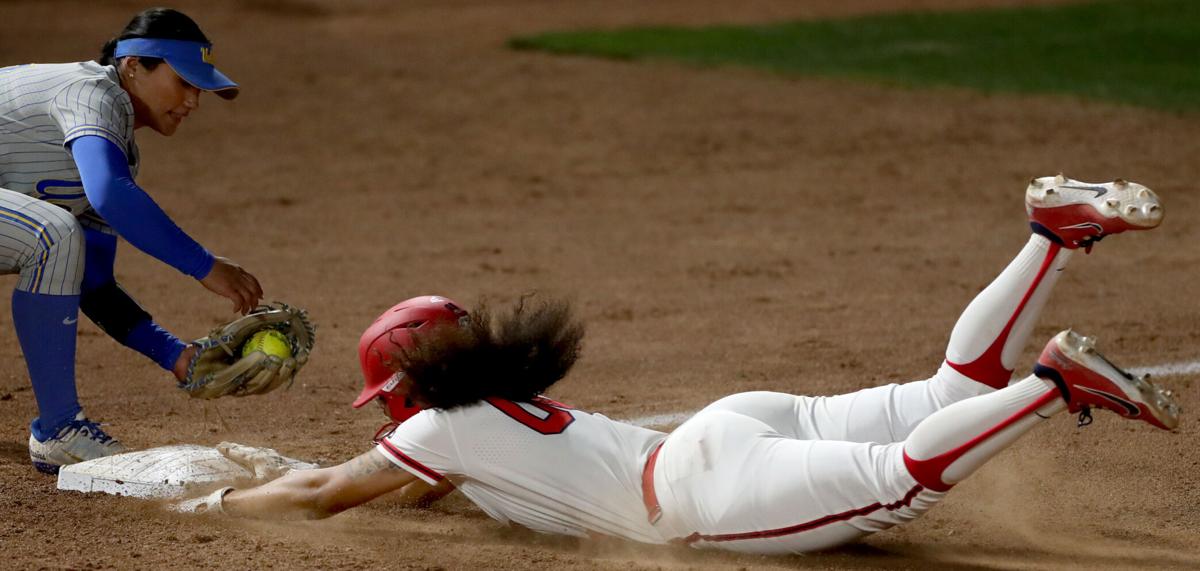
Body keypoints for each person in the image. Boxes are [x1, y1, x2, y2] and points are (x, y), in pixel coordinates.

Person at [180, 176, 1178, 555]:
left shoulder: (431, 432)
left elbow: (320, 494)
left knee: (898, 483)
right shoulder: (495, 415)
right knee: (943, 393)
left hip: (707, 488)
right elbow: (420, 491)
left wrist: (216, 505)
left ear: (402, 389)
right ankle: (1051, 238)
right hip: (737, 425)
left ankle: (1052, 384)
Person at [0, 8, 264, 474]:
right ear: (134, 65)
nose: (193, 101)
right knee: (52, 232)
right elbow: (109, 195)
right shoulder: (90, 91)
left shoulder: (117, 149)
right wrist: (205, 266)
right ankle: (60, 429)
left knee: (58, 242)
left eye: (199, 88)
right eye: (183, 82)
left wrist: (176, 356)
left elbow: (92, 282)